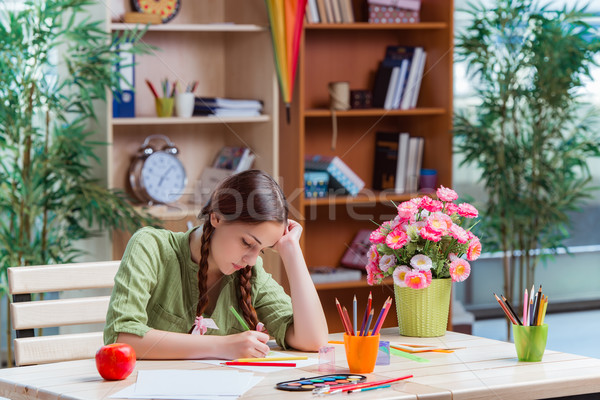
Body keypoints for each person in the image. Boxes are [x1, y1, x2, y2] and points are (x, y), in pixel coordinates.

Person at [104, 170, 328, 360]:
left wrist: (291, 251)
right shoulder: (151, 247)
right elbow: (120, 338)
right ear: (217, 217)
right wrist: (223, 346)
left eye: (262, 249)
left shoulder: (251, 272)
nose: (252, 259)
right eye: (247, 242)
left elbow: (313, 340)